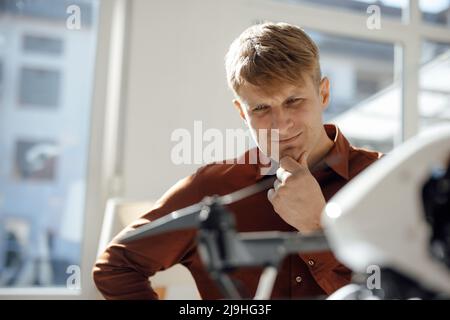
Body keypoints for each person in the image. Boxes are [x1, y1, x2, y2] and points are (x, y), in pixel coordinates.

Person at [93, 22, 382, 300]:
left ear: (323, 93)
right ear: (243, 114)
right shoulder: (214, 188)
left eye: (294, 101)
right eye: (260, 108)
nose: (280, 125)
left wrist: (316, 228)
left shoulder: (384, 179)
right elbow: (115, 266)